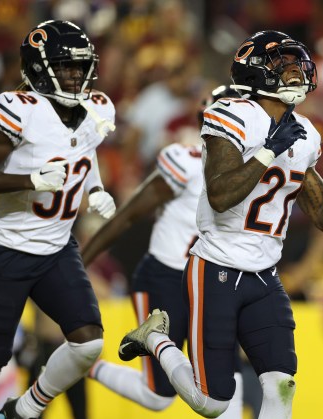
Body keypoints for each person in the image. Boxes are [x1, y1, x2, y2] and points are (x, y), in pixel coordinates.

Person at [115, 30, 323, 418]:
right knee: (212, 402)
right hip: (216, 269)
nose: (297, 72)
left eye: (300, 64)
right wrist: (268, 150)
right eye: (285, 64)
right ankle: (157, 340)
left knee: (281, 387)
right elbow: (220, 193)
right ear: (257, 72)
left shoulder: (306, 133)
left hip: (265, 276)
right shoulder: (229, 115)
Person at [0, 20, 116, 419]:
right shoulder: (19, 110)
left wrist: (94, 189)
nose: (76, 75)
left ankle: (26, 408)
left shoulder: (95, 108)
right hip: (7, 252)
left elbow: (85, 149)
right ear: (39, 68)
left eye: (81, 66)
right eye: (66, 66)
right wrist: (28, 179)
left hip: (57, 249)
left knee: (88, 343)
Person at [82, 85, 244, 418]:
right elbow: (129, 215)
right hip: (166, 279)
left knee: (226, 374)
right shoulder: (186, 161)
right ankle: (85, 367)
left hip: (213, 283)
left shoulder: (257, 174)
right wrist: (79, 263)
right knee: (159, 396)